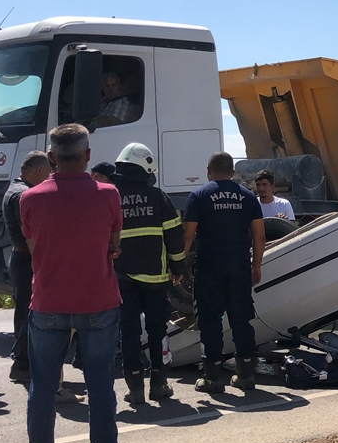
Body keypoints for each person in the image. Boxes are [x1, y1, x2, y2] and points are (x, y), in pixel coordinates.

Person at [20, 124, 131, 443]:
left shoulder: (30, 198)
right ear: (87, 155)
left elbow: (35, 248)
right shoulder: (108, 193)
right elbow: (114, 245)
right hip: (98, 300)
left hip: (49, 301)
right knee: (100, 384)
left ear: (51, 158)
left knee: (43, 386)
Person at [111, 143, 187, 404]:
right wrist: (179, 268)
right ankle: (159, 383)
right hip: (155, 278)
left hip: (120, 277)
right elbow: (175, 237)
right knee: (157, 331)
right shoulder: (157, 197)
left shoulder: (110, 196)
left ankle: (134, 388)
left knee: (128, 331)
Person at [184, 152, 265, 393]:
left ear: (209, 169)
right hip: (239, 267)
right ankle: (246, 377)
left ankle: (212, 378)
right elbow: (259, 236)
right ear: (232, 171)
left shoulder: (198, 195)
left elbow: (188, 235)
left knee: (210, 321)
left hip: (209, 267)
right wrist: (256, 265)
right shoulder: (249, 196)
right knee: (241, 319)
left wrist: (176, 265)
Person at [3, 151, 52, 382]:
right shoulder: (23, 195)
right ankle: (22, 363)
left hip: (22, 258)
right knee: (28, 312)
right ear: (39, 171)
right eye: (48, 172)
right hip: (27, 259)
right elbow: (32, 234)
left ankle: (25, 361)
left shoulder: (16, 190)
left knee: (27, 310)